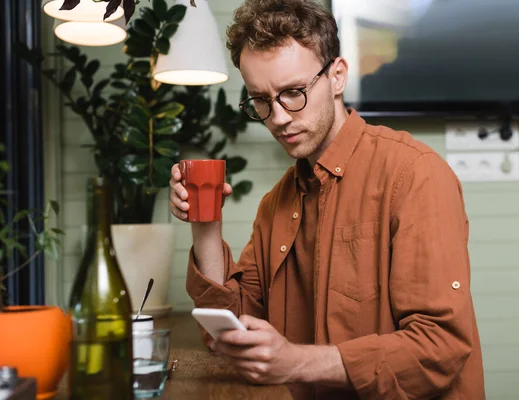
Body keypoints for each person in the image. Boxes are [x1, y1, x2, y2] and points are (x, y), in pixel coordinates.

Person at [169, 0, 485, 399]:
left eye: (293, 93)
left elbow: (440, 346)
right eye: (261, 101)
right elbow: (234, 330)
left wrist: (295, 361)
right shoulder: (276, 203)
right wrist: (205, 223)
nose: (278, 117)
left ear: (337, 77)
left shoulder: (415, 174)